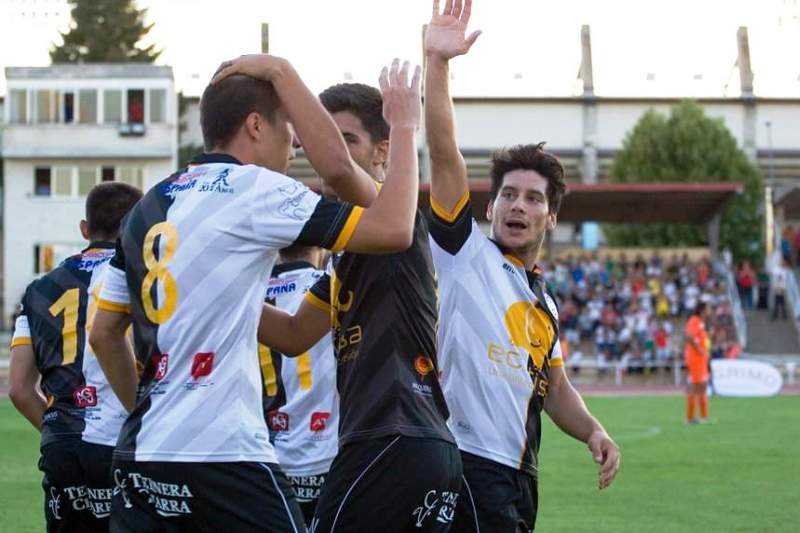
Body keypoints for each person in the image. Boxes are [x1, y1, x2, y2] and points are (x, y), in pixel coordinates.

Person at [89, 56, 421, 532]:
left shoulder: (149, 205)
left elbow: (103, 334)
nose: (294, 143)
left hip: (142, 453)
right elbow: (392, 228)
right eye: (288, 128)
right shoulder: (255, 189)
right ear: (256, 125)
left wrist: (151, 414)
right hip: (224, 452)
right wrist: (406, 125)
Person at [424, 0, 620, 530]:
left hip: (519, 475)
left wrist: (593, 431)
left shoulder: (545, 303)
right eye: (508, 194)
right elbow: (444, 155)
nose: (517, 205)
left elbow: (554, 389)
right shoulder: (464, 254)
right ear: (489, 208)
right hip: (462, 462)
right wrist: (437, 63)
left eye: (533, 199)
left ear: (551, 217)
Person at [258, 78, 462, 532]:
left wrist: (276, 70)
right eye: (325, 140)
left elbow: (339, 174)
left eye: (346, 140)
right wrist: (217, 294)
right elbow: (292, 335)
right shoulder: (352, 250)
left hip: (391, 437)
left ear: (382, 151)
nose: (331, 153)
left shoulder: (391, 218)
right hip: (408, 443)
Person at [9, 182, 142, 532]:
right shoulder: (139, 279)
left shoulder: (39, 289)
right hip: (122, 443)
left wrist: (60, 432)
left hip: (62, 448)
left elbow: (20, 390)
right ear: (136, 226)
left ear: (84, 229)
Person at [260, 245, 336, 525]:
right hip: (328, 452)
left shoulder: (249, 293)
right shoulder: (331, 286)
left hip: (267, 456)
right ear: (321, 244)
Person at [684, 302, 712, 424]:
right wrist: (699, 349)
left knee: (703, 387)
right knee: (695, 388)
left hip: (701, 359)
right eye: (708, 309)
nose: (710, 311)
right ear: (702, 310)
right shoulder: (694, 320)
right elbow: (689, 336)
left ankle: (704, 417)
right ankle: (690, 418)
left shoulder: (701, 323)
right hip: (695, 359)